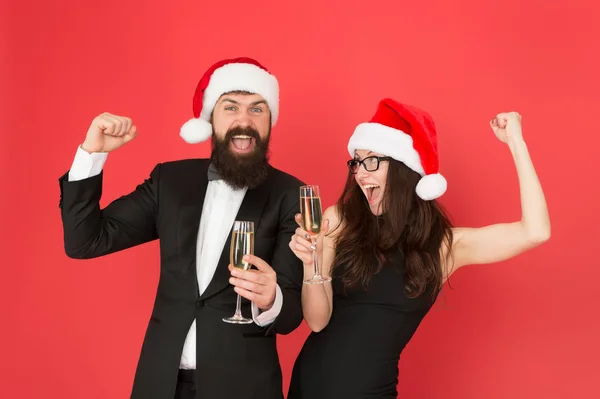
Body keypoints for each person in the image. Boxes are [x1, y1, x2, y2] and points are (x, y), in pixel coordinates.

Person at [58, 57, 305, 399]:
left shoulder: (291, 194)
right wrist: (91, 156)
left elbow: (291, 314)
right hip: (161, 383)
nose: (244, 121)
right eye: (230, 107)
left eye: (257, 109)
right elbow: (85, 241)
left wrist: (271, 299)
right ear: (210, 118)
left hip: (243, 388)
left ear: (270, 120)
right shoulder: (170, 181)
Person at [287, 98, 551, 398]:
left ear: (403, 168)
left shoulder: (445, 247)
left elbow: (535, 231)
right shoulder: (339, 219)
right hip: (308, 387)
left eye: (372, 160)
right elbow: (318, 321)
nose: (360, 173)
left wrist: (515, 140)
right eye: (356, 162)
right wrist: (312, 263)